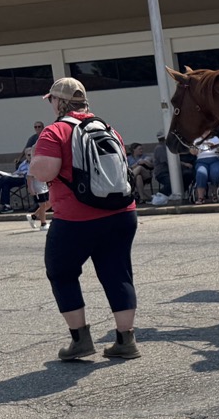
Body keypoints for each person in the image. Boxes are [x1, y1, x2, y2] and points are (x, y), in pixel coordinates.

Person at [28, 77, 140, 360]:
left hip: (77, 217)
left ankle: (81, 340)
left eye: (51, 99)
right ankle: (126, 341)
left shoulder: (54, 132)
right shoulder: (107, 128)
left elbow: (44, 172)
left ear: (58, 102)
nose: (51, 104)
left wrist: (35, 162)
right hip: (121, 213)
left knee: (61, 272)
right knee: (118, 273)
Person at [192, 133, 219, 203]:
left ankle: (215, 194)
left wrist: (214, 146)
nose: (206, 133)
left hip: (215, 159)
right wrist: (195, 149)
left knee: (215, 172)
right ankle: (201, 197)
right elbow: (192, 152)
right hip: (201, 161)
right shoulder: (197, 140)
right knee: (201, 173)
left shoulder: (215, 138)